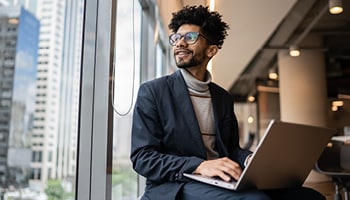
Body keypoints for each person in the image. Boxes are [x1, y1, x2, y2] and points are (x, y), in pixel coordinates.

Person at [130, 5, 326, 200]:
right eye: (176, 38)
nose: (180, 43)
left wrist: (250, 159)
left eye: (190, 38)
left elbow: (230, 149)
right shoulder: (153, 92)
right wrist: (199, 165)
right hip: (177, 185)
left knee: (309, 197)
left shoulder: (222, 97)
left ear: (211, 50)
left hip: (221, 179)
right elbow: (143, 158)